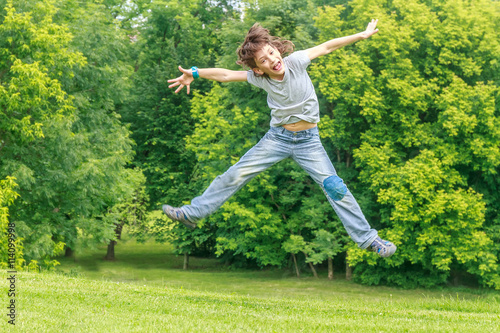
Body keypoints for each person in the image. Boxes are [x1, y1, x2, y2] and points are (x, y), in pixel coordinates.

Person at [164, 20, 396, 257]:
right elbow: (225, 75)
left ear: (277, 50)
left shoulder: (296, 62)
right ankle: (192, 213)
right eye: (263, 60)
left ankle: (369, 239)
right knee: (236, 173)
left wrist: (362, 35)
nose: (272, 60)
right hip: (278, 138)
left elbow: (327, 47)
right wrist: (194, 72)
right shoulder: (259, 79)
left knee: (335, 187)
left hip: (309, 142)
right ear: (258, 69)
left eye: (272, 53)